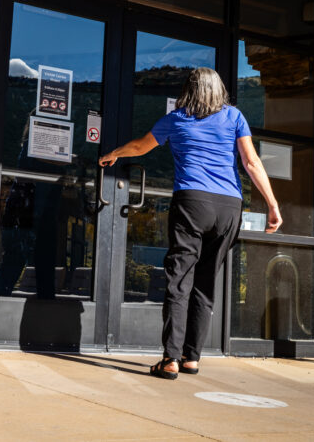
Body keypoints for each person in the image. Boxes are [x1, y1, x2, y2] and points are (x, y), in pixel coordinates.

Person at [99, 67, 281, 380]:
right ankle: (192, 357)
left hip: (192, 202)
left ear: (189, 91)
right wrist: (273, 204)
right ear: (218, 90)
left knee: (179, 279)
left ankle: (170, 359)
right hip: (228, 206)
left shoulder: (176, 119)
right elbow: (251, 163)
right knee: (206, 282)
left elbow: (141, 146)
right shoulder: (234, 117)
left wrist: (114, 154)